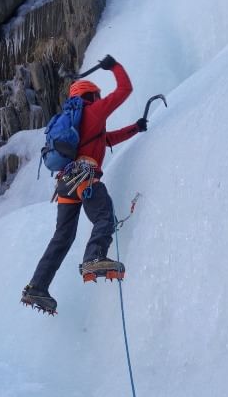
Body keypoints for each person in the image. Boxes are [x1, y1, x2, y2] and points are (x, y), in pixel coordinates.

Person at [21, 55, 147, 314]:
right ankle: (93, 258)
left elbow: (107, 139)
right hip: (84, 177)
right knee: (105, 216)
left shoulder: (78, 125)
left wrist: (135, 128)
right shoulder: (94, 111)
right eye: (98, 97)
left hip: (65, 183)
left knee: (62, 237)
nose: (101, 101)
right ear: (92, 96)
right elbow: (125, 90)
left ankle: (37, 286)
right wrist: (115, 66)